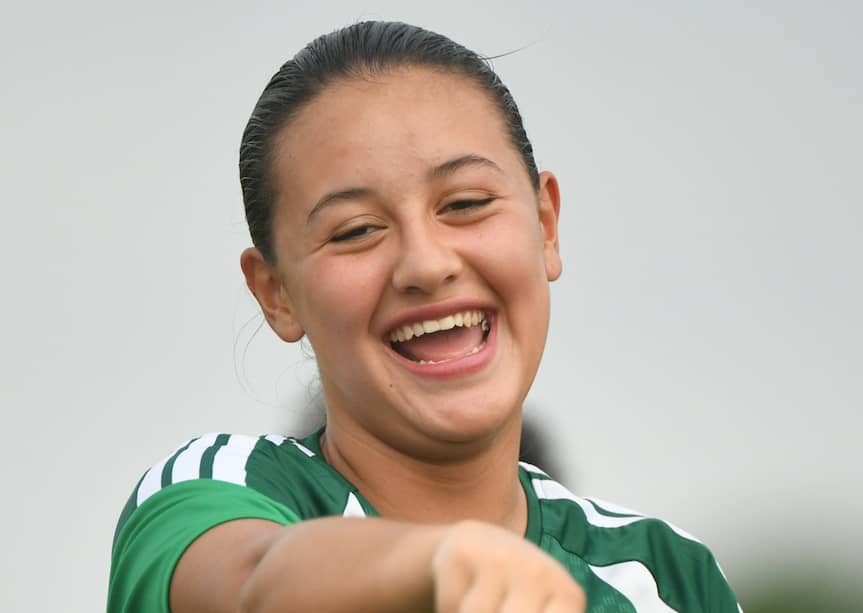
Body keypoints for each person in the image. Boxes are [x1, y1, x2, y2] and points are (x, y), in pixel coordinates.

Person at [107, 21, 742, 613]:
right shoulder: (220, 490)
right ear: (276, 293)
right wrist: (434, 561)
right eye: (355, 230)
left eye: (465, 202)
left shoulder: (671, 579)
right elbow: (252, 581)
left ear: (546, 225)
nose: (426, 263)